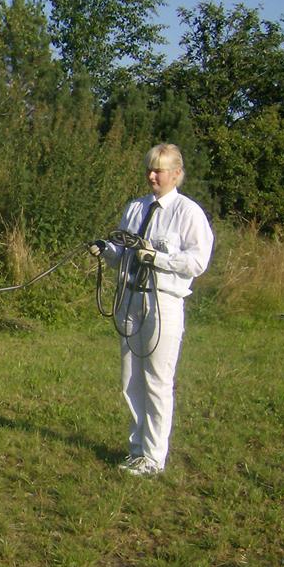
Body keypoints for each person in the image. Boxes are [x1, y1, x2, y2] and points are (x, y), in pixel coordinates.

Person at [89, 144, 214, 477]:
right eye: (149, 169)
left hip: (163, 302)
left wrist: (157, 258)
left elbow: (197, 261)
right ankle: (137, 449)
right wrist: (105, 249)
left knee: (157, 380)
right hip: (129, 299)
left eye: (159, 170)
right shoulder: (135, 208)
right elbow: (122, 250)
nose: (152, 176)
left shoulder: (188, 213)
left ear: (176, 174)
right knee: (130, 379)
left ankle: (154, 456)